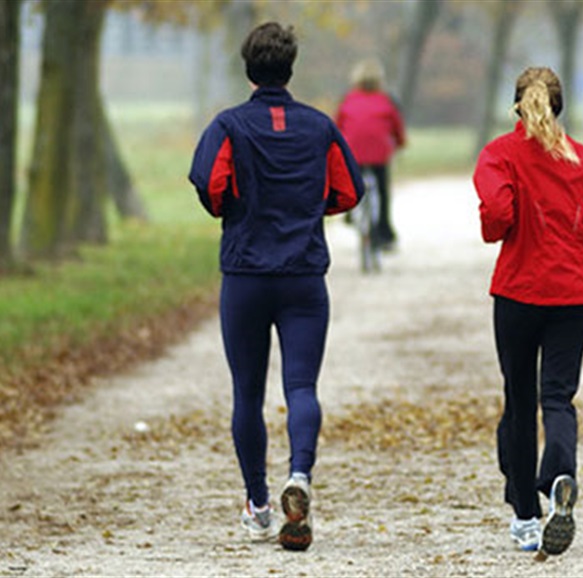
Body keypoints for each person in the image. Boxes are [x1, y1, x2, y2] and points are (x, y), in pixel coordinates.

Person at [188, 22, 364, 551]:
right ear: (290, 69)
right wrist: (312, 211)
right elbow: (349, 190)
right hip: (304, 275)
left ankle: (260, 506)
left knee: (247, 392)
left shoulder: (228, 126)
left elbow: (208, 183)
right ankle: (301, 477)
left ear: (249, 69)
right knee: (302, 387)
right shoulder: (319, 127)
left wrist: (233, 213)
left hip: (245, 273)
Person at [474, 66, 583, 555]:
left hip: (518, 294)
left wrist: (502, 226)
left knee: (519, 403)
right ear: (558, 106)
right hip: (575, 298)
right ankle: (559, 475)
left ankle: (524, 517)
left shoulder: (499, 154)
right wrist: (572, 236)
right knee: (557, 397)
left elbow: (497, 218)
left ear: (518, 104)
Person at [334, 58, 407, 251]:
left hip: (353, 153)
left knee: (350, 181)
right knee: (382, 191)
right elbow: (397, 128)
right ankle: (384, 232)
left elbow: (338, 125)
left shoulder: (348, 100)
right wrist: (400, 143)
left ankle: (350, 210)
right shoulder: (386, 100)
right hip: (379, 154)